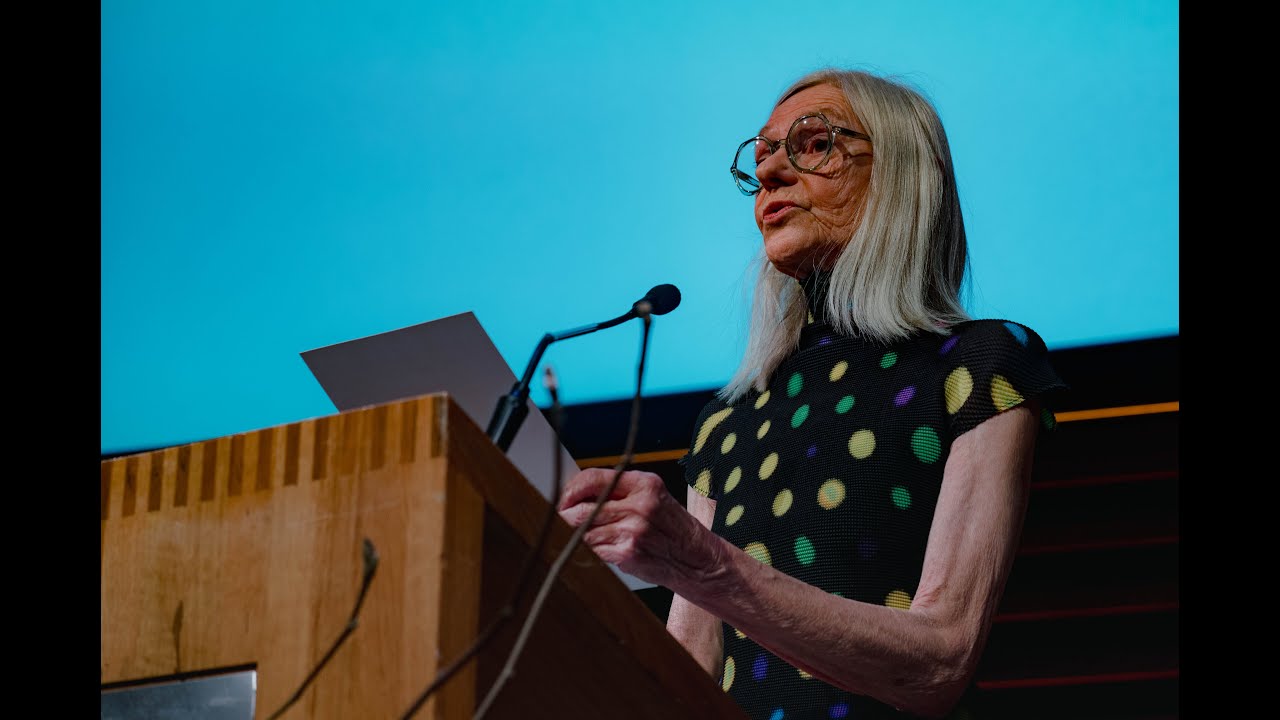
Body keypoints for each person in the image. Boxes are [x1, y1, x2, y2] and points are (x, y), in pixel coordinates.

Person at [557, 66, 1067, 720]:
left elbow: (941, 661)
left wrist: (700, 561)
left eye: (813, 143)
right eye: (764, 154)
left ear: (900, 171)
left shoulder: (981, 365)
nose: (769, 173)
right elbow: (686, 680)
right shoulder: (727, 421)